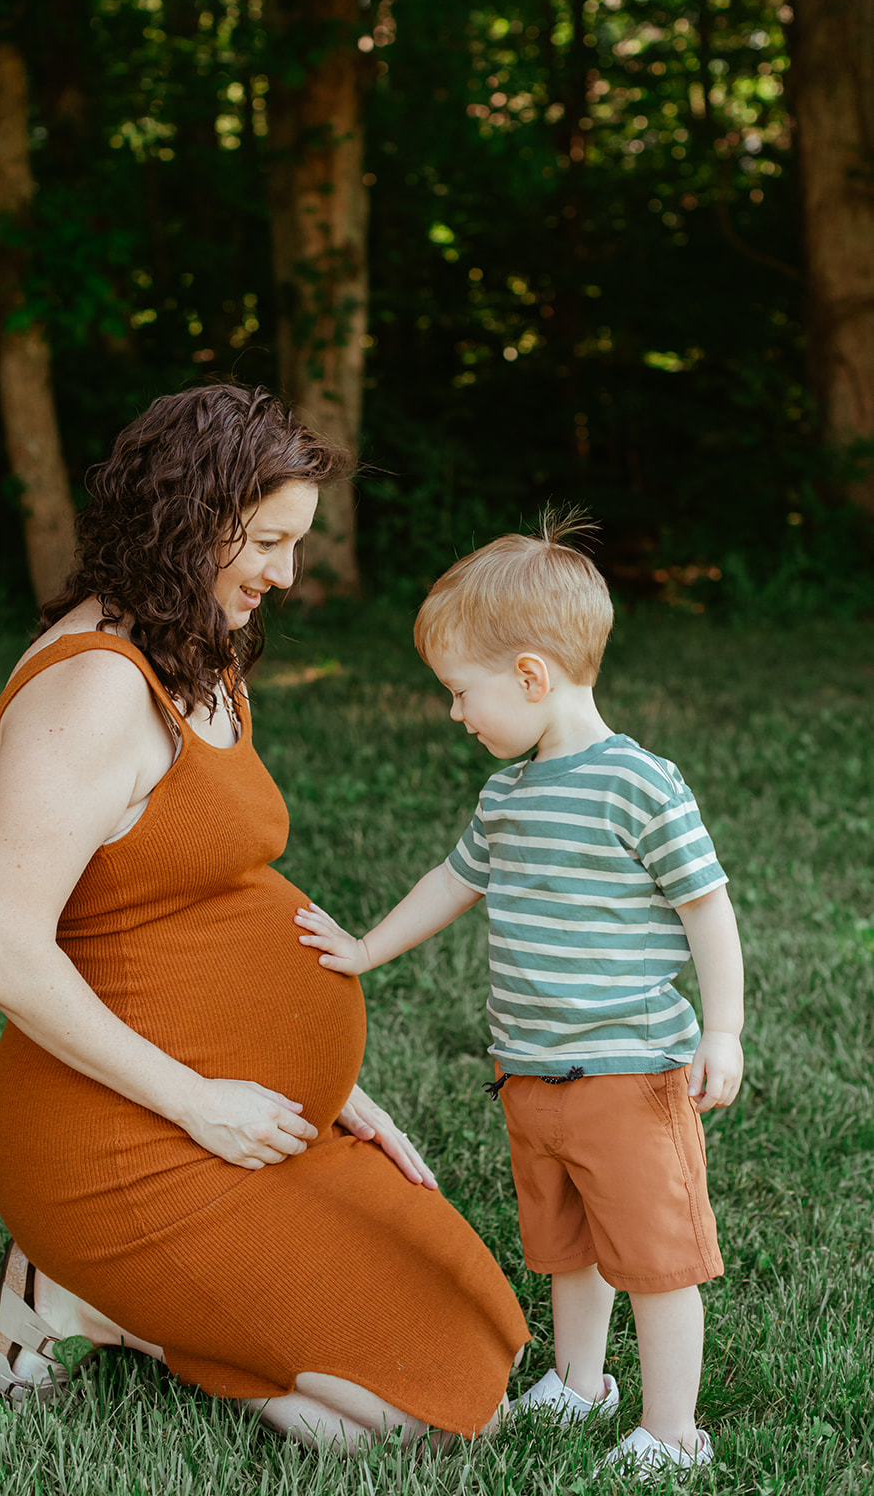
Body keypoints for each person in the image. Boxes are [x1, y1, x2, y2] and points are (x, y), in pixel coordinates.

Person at [0, 382, 530, 1451]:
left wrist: (331, 1087)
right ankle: (91, 1298)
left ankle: (132, 1295)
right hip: (128, 1144)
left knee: (482, 1334)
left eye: (294, 542)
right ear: (185, 518)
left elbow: (194, 895)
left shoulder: (196, 645)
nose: (285, 573)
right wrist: (198, 1102)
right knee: (421, 1422)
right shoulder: (93, 693)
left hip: (248, 1115)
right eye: (265, 540)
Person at [295, 513, 744, 1479]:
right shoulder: (506, 798)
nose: (457, 714)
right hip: (531, 1074)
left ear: (532, 677)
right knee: (564, 1246)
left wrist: (725, 1031)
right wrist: (366, 948)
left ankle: (674, 1433)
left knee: (655, 1262)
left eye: (463, 694)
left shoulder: (638, 785)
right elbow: (454, 882)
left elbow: (707, 909)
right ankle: (582, 1381)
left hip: (628, 1073)